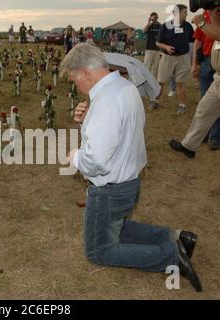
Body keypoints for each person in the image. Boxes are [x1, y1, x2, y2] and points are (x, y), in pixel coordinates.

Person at [60, 43, 202, 292]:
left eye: (74, 79)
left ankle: (171, 256)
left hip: (110, 190)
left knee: (99, 250)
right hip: (129, 183)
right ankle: (178, 237)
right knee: (117, 226)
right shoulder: (125, 87)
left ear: (84, 72)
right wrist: (88, 118)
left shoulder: (105, 103)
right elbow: (118, 129)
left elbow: (97, 161)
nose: (76, 85)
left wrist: (76, 157)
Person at [170, 5, 220, 158]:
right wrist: (211, 11)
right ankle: (189, 146)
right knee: (204, 110)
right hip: (218, 77)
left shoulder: (203, 23)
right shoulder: (213, 15)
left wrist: (201, 23)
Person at [154, 4, 194, 114]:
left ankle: (182, 106)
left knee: (181, 83)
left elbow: (192, 42)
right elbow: (157, 42)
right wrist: (166, 47)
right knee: (161, 81)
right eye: (185, 12)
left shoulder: (188, 26)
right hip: (167, 58)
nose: (187, 14)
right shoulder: (166, 26)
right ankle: (155, 101)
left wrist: (192, 59)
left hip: (183, 58)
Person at [191, 10, 220, 150]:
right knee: (204, 100)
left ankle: (215, 137)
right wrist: (194, 63)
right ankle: (202, 135)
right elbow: (198, 40)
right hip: (207, 60)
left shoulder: (206, 17)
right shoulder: (207, 13)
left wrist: (201, 22)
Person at [143, 13, 162, 78]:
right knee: (147, 65)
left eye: (156, 17)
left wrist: (159, 23)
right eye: (153, 17)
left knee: (155, 66)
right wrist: (148, 22)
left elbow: (163, 33)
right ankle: (146, 78)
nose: (155, 19)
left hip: (157, 49)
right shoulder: (149, 25)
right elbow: (144, 31)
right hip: (149, 48)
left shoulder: (160, 26)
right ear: (150, 18)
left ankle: (152, 79)